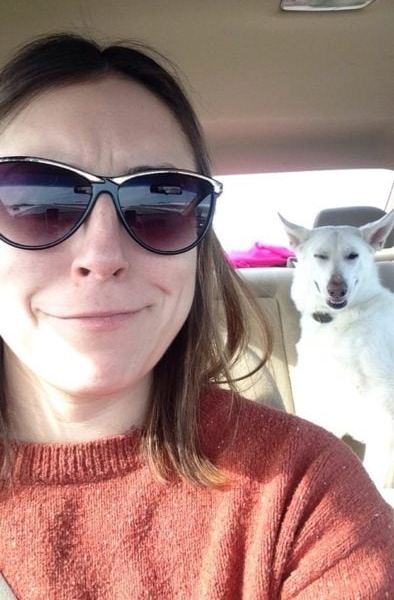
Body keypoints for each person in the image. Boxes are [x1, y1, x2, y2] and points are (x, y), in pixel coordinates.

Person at [0, 33, 392, 600]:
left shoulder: (306, 493)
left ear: (200, 241)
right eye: (35, 201)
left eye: (159, 204)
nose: (102, 257)